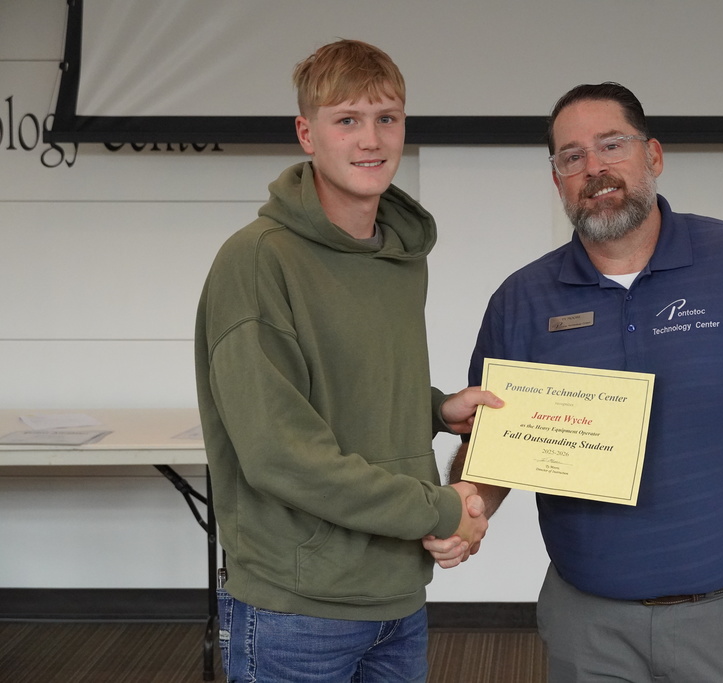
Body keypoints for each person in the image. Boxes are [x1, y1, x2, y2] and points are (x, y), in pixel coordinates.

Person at [425, 82, 723, 682]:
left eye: (612, 145)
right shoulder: (522, 300)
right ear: (556, 178)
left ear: (653, 156)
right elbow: (499, 438)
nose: (595, 167)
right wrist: (468, 504)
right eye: (571, 156)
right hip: (587, 625)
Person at [194, 39, 501, 683]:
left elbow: (353, 386)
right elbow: (280, 452)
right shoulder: (257, 261)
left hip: (397, 592)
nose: (371, 139)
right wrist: (443, 509)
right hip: (296, 610)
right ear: (307, 134)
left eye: (386, 118)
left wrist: (438, 408)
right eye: (347, 120)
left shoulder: (397, 257)